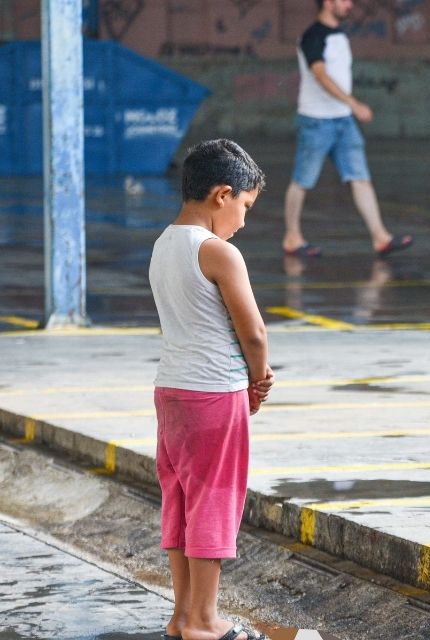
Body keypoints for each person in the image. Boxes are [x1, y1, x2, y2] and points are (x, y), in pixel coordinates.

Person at [150, 139, 274, 640]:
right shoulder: (218, 252)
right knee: (214, 503)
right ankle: (204, 621)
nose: (243, 221)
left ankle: (181, 615)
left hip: (171, 392)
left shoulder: (163, 243)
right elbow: (253, 332)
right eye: (245, 206)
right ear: (223, 195)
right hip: (214, 395)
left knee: (179, 501)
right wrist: (259, 379)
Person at [281, 0, 413, 259]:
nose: (350, 5)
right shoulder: (313, 37)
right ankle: (292, 237)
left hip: (343, 122)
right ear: (328, 2)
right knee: (303, 180)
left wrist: (348, 110)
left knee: (360, 178)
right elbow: (320, 75)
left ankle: (380, 238)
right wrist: (353, 104)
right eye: (344, 0)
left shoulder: (340, 35)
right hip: (317, 121)